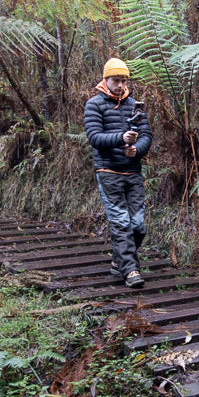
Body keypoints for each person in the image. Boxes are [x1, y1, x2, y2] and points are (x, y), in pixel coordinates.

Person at [84, 57, 152, 288]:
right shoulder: (94, 104)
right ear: (106, 80)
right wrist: (120, 138)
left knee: (138, 225)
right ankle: (130, 271)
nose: (121, 85)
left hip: (132, 171)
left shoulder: (135, 105)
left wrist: (136, 149)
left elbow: (146, 135)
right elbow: (94, 138)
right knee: (121, 222)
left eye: (124, 80)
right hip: (108, 170)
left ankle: (118, 261)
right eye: (116, 80)